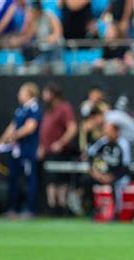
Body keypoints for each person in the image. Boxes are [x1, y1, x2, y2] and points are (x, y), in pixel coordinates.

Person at [0, 82, 42, 218]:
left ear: (29, 93)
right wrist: (0, 142)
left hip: (28, 149)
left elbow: (30, 127)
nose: (19, 95)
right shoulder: (20, 110)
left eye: (21, 92)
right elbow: (12, 126)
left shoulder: (34, 109)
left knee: (29, 179)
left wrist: (13, 136)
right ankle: (12, 208)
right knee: (13, 178)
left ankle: (30, 208)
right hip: (16, 150)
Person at [38, 82, 77, 216]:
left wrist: (61, 143)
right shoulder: (48, 110)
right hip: (48, 152)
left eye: (46, 93)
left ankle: (61, 207)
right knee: (50, 180)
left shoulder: (64, 108)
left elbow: (72, 128)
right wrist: (42, 146)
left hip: (61, 152)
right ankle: (51, 206)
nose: (43, 96)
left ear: (53, 94)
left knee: (60, 179)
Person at [87, 122, 131, 213]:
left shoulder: (123, 144)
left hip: (118, 175)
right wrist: (96, 173)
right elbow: (90, 155)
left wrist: (111, 177)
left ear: (116, 131)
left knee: (116, 185)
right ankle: (92, 210)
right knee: (86, 180)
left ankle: (116, 212)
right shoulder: (103, 141)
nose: (106, 133)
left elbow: (125, 166)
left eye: (108, 131)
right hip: (102, 174)